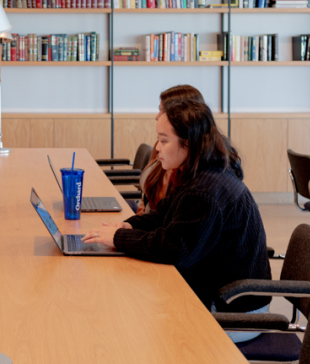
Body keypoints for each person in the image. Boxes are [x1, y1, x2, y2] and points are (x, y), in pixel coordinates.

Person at [83, 99, 271, 319]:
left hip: (233, 308)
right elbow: (163, 216)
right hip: (216, 291)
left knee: (130, 309)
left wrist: (119, 238)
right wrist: (128, 225)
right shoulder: (199, 172)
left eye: (164, 141)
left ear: (188, 144)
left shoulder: (204, 192)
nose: (157, 148)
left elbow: (173, 250)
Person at [136, 85, 206, 216]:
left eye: (163, 111)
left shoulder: (195, 181)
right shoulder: (162, 147)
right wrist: (130, 224)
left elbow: (168, 225)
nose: (157, 117)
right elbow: (146, 200)